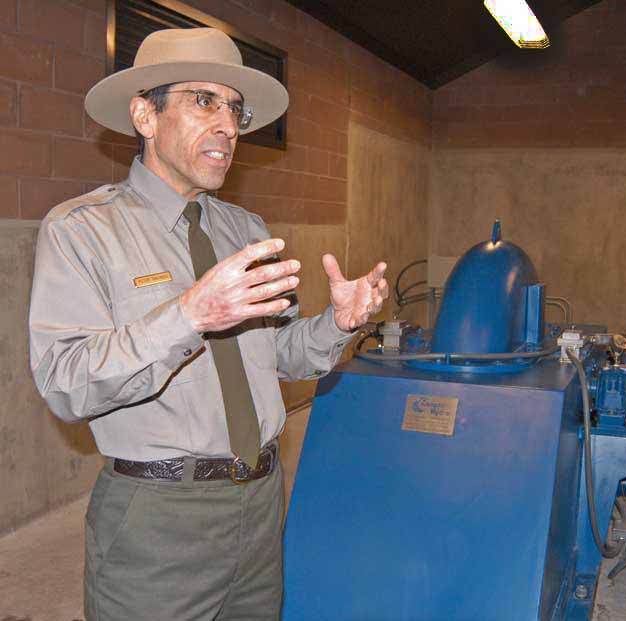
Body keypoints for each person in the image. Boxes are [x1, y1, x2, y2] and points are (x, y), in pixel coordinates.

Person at [27, 27, 388, 620]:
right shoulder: (83, 231)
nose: (228, 124)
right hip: (158, 519)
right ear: (145, 115)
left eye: (236, 109)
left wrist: (337, 324)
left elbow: (281, 355)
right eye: (204, 101)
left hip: (261, 500)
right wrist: (189, 315)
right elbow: (67, 383)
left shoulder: (244, 230)